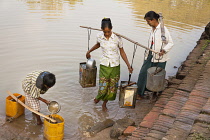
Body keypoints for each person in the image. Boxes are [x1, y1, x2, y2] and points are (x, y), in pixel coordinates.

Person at [86, 18, 133, 111]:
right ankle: (98, 97)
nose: (107, 34)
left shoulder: (117, 38)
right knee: (103, 86)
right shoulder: (99, 36)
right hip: (104, 65)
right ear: (101, 29)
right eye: (105, 32)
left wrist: (128, 65)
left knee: (112, 87)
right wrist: (89, 51)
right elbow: (98, 44)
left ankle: (104, 103)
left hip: (115, 66)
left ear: (112, 28)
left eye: (108, 31)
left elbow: (122, 52)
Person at [136, 11, 174, 99]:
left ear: (153, 20)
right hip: (150, 54)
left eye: (148, 21)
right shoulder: (153, 29)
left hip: (160, 56)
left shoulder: (163, 30)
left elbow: (171, 43)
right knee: (143, 73)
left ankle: (155, 92)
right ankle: (140, 93)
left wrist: (163, 51)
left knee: (157, 75)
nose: (147, 23)